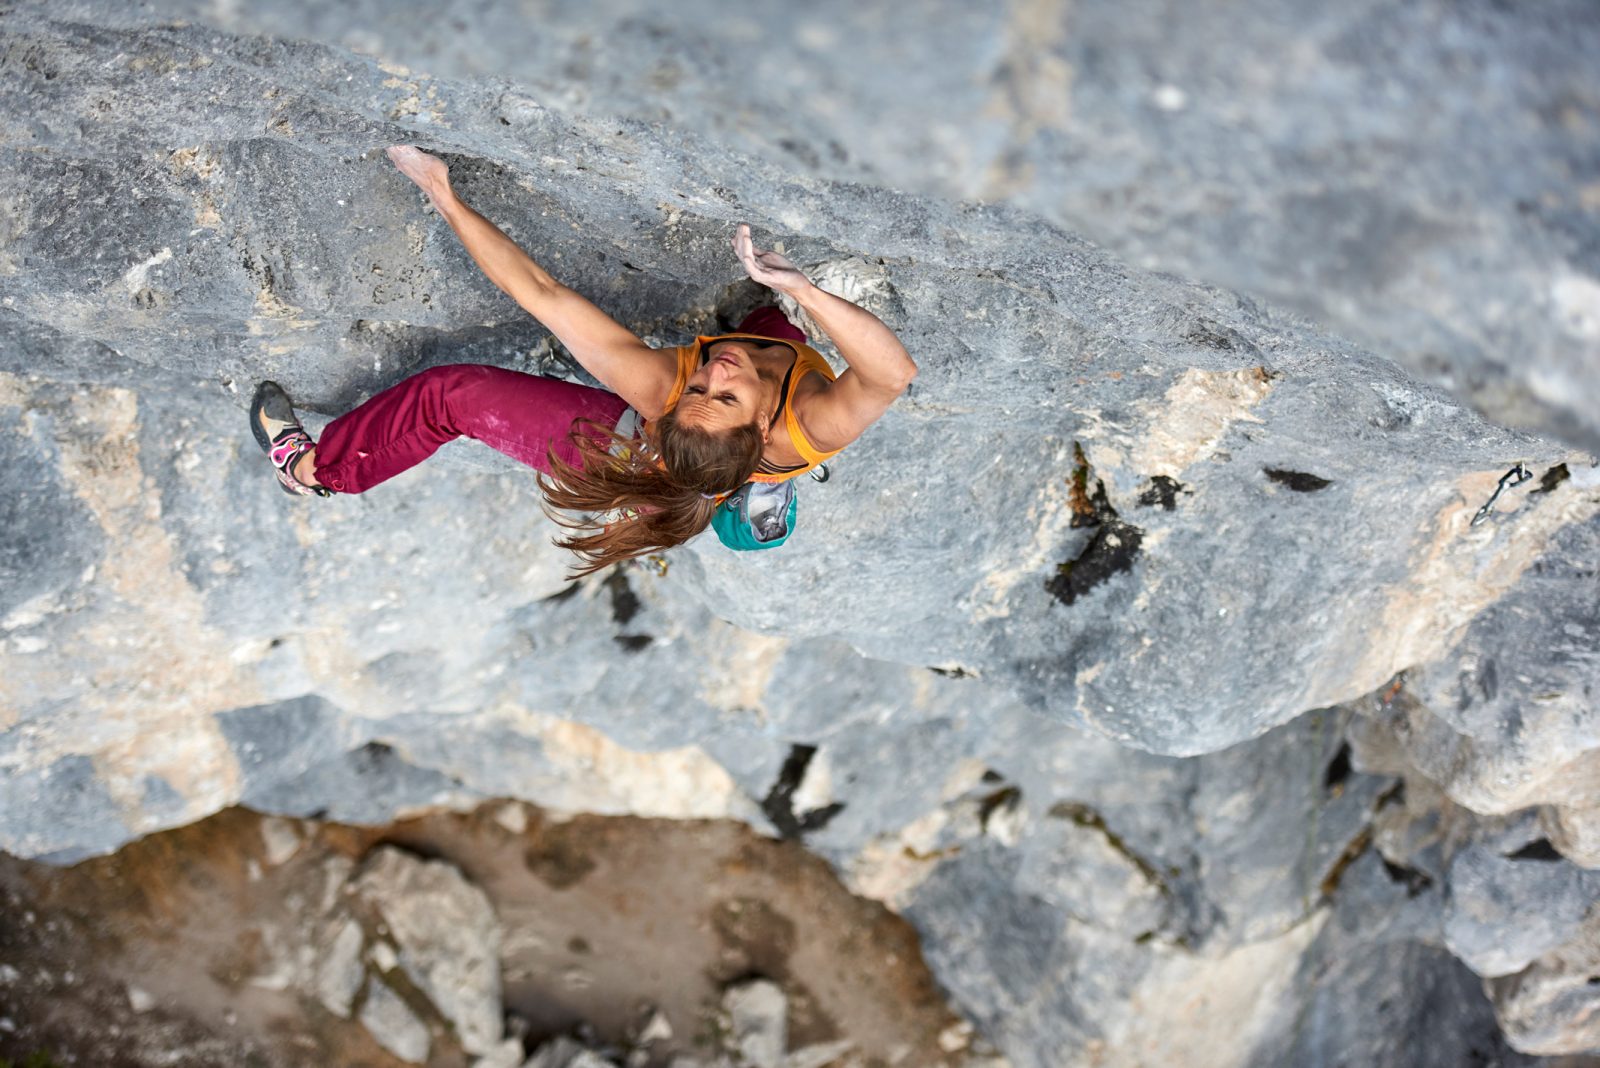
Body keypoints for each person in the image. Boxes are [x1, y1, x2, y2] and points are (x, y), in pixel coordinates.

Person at [250, 146, 916, 575]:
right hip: (704, 447)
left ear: (766, 430)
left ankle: (317, 475)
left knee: (451, 396)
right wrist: (798, 294)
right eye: (714, 389)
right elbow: (890, 374)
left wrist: (441, 195)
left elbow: (544, 297)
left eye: (709, 391)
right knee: (770, 328)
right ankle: (327, 473)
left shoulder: (688, 399)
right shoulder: (751, 404)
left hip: (638, 458)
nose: (717, 370)